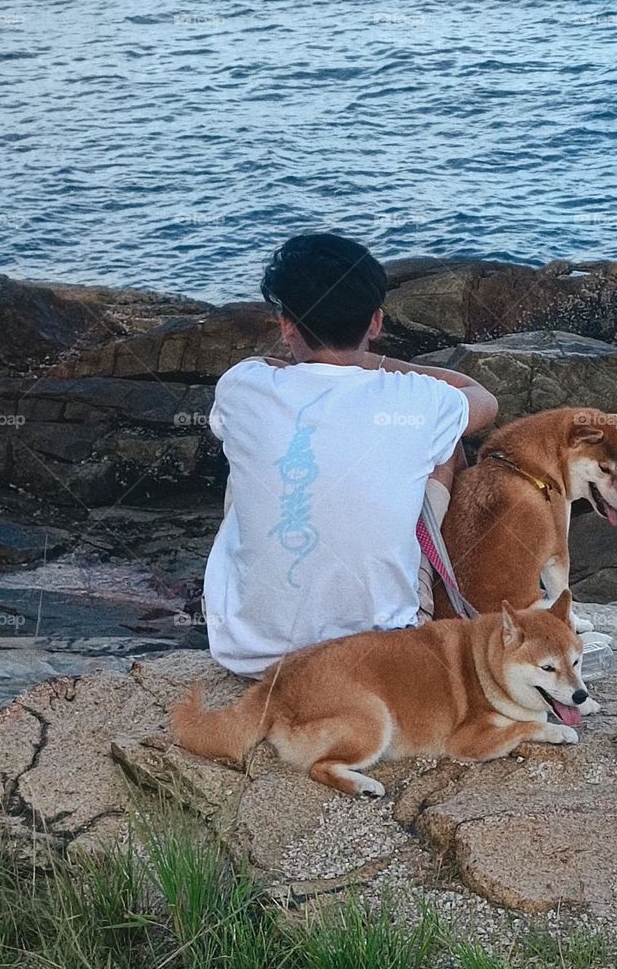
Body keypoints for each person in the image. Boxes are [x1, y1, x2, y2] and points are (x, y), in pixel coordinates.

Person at [202, 233, 499, 675]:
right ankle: (417, 581)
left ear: (286, 325)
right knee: (445, 438)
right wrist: (382, 365)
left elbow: (272, 371)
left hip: (249, 654)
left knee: (251, 448)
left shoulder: (242, 386)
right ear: (375, 323)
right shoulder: (416, 399)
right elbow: (483, 400)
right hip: (376, 656)